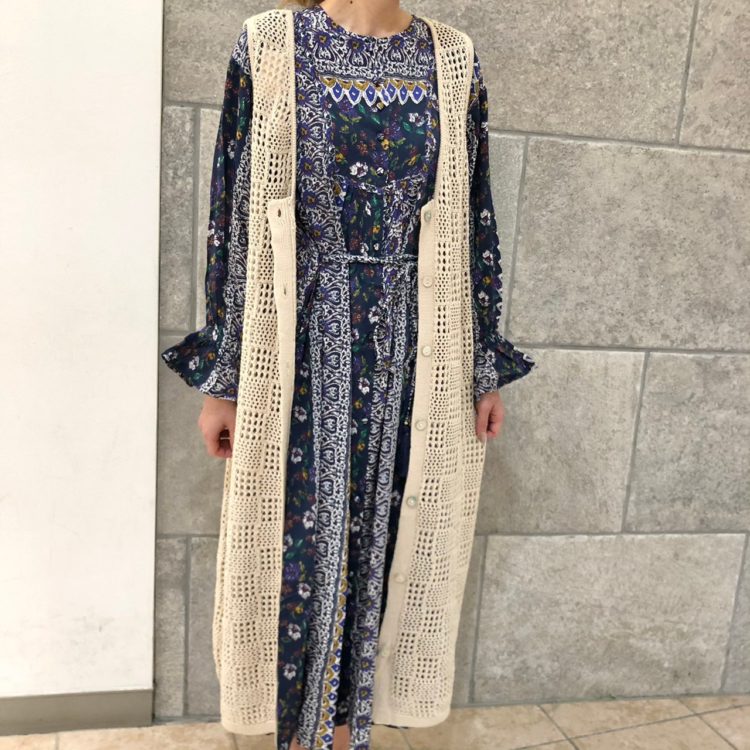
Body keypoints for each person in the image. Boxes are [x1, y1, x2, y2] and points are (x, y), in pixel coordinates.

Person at [161, 1, 537, 748]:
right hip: (295, 347)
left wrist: (482, 366)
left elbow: (474, 222)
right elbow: (233, 218)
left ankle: (345, 734)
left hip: (418, 351)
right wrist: (225, 380)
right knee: (298, 552)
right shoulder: (269, 44)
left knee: (389, 545)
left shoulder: (453, 59)